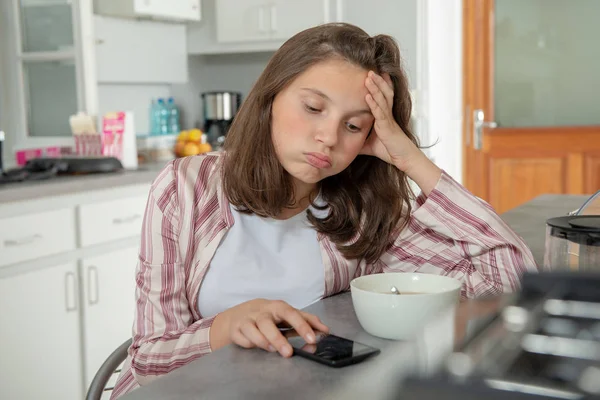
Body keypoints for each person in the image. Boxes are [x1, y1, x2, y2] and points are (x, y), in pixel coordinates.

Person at [111, 23, 536, 398]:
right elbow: (148, 361)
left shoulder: (363, 213)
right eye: (313, 108)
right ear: (272, 96)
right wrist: (225, 328)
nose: (328, 137)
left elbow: (510, 279)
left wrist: (411, 159)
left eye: (354, 126)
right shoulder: (185, 187)